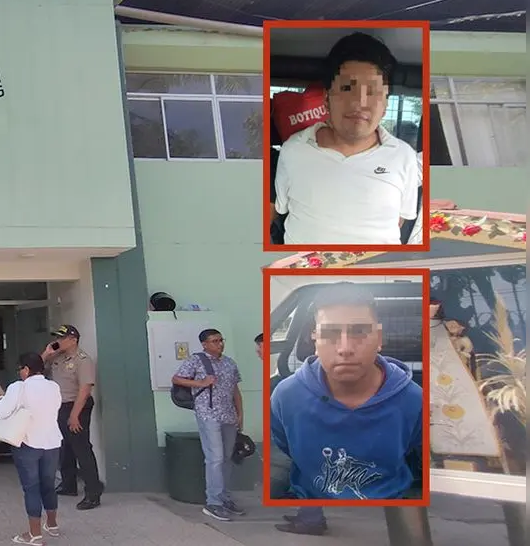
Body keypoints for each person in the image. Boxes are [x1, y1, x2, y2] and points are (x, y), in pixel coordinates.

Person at [271, 284, 423, 524]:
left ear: (379, 338)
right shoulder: (286, 397)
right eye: (330, 334)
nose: (345, 349)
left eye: (359, 332)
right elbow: (285, 444)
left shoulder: (414, 400)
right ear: (315, 338)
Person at [273, 32, 420, 245]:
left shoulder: (404, 156)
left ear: (386, 103)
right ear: (326, 98)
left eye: (372, 91)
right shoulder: (293, 149)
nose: (359, 102)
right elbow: (283, 208)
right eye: (347, 88)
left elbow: (397, 219)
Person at [171, 328, 245, 521]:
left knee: (227, 458)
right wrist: (201, 383)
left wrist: (240, 414)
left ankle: (224, 497)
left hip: (228, 415)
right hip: (208, 413)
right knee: (215, 458)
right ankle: (213, 502)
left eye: (221, 340)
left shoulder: (229, 363)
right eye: (214, 341)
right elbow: (177, 379)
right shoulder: (196, 360)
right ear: (204, 344)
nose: (219, 344)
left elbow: (235, 390)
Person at [0, 352, 63, 545]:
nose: (20, 373)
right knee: (48, 485)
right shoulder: (53, 387)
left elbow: (1, 411)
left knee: (32, 488)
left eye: (20, 369)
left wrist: (2, 397)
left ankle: (34, 535)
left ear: (26, 369)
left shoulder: (18, 387)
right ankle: (52, 525)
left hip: (28, 443)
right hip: (51, 442)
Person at [41, 325, 103, 510]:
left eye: (62, 337)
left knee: (81, 448)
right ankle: (69, 485)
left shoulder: (82, 360)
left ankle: (93, 493)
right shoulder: (57, 357)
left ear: (73, 339)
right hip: (59, 406)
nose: (58, 341)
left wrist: (75, 415)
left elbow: (85, 390)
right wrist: (46, 353)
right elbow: (35, 369)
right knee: (65, 447)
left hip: (77, 406)